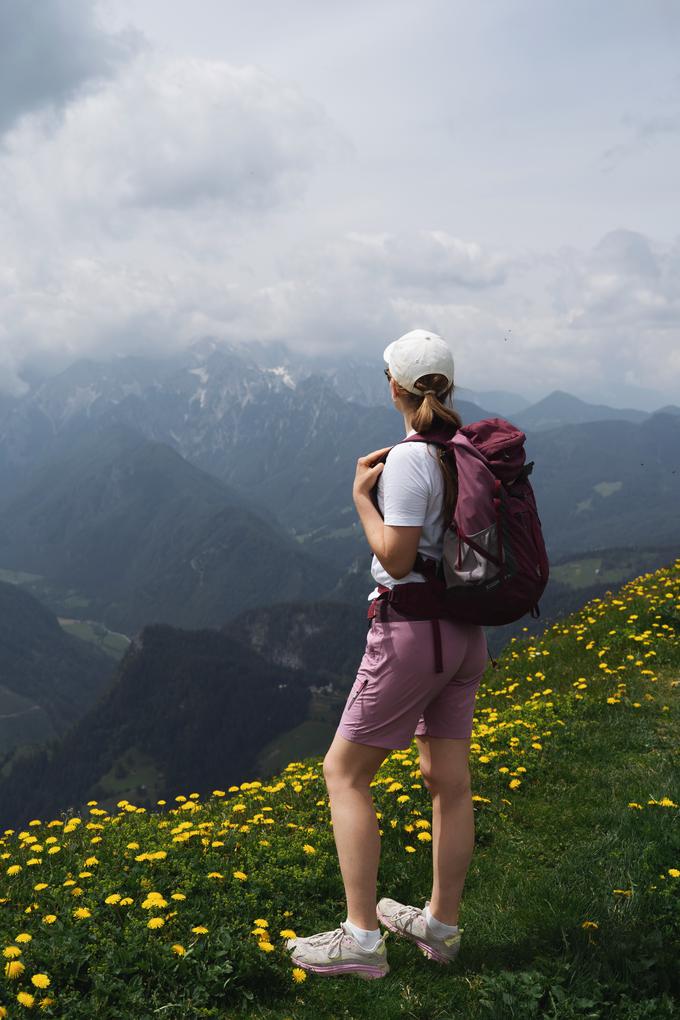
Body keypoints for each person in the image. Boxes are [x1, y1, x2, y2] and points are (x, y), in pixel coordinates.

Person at [286, 329, 489, 979]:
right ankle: (441, 926)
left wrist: (359, 500)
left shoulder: (408, 459)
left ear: (395, 387)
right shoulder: (467, 452)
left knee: (344, 775)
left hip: (412, 635)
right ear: (448, 387)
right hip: (466, 636)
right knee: (449, 785)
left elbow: (397, 556)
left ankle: (362, 940)